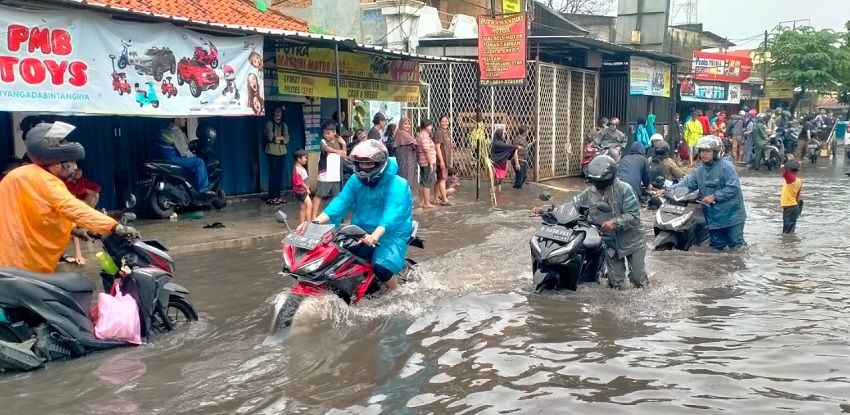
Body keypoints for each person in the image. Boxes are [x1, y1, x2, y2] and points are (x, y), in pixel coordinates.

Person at [0, 122, 137, 273]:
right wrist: (115, 227)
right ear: (57, 163)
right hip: (22, 263)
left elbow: (42, 211)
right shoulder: (47, 182)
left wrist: (74, 229)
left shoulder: (25, 174)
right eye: (72, 163)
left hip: (11, 259)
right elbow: (72, 208)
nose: (75, 168)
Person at [308, 140, 413, 293]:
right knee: (337, 256)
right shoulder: (355, 180)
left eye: (368, 164)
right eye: (360, 164)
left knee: (381, 266)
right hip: (360, 229)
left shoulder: (398, 184)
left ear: (380, 163)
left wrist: (376, 234)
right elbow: (341, 202)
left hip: (390, 233)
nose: (363, 168)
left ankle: (395, 291)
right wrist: (315, 222)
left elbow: (393, 213)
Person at [536, 155, 646, 289]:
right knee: (616, 283)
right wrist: (548, 211)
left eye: (601, 181)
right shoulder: (589, 193)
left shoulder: (624, 189)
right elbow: (571, 205)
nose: (598, 185)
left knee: (638, 279)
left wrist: (614, 222)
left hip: (632, 241)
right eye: (595, 181)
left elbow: (634, 216)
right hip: (610, 242)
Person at [674, 136, 746, 250]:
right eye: (702, 151)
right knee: (717, 249)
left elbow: (733, 188)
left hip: (732, 217)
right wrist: (667, 190)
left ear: (716, 152)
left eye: (707, 151)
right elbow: (687, 184)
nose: (703, 154)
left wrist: (714, 196)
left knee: (736, 248)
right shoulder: (700, 171)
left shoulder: (727, 167)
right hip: (713, 219)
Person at [153, 118, 213, 195]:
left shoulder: (165, 126)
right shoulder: (175, 130)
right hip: (171, 158)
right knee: (199, 162)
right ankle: (203, 191)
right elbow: (184, 152)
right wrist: (194, 156)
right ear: (176, 119)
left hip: (162, 157)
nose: (185, 120)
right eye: (183, 118)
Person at [64, 167, 102, 265]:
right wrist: (84, 191)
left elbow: (97, 188)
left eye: (81, 172)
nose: (79, 174)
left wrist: (78, 254)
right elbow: (72, 194)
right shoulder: (64, 182)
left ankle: (86, 220)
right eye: (77, 172)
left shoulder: (82, 181)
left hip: (79, 208)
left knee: (95, 195)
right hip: (73, 205)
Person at [312, 120, 347, 219]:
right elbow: (326, 148)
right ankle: (313, 217)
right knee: (319, 195)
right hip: (325, 174)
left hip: (336, 174)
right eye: (324, 133)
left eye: (328, 133)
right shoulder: (323, 141)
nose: (326, 135)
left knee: (336, 197)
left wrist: (344, 144)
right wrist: (338, 151)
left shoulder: (339, 142)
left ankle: (334, 216)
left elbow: (344, 155)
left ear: (334, 132)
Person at [264, 106, 289, 205]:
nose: (279, 113)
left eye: (280, 112)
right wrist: (280, 139)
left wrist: (278, 138)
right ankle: (271, 197)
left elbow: (287, 139)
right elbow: (270, 137)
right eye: (277, 111)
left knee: (279, 175)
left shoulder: (284, 125)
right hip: (272, 151)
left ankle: (278, 196)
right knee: (273, 174)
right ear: (273, 113)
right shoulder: (269, 123)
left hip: (282, 151)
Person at [416, 119, 438, 208]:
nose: (431, 128)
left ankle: (422, 202)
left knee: (423, 182)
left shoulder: (419, 135)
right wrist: (430, 163)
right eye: (430, 126)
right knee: (427, 182)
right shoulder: (424, 136)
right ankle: (427, 203)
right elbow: (426, 150)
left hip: (422, 162)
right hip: (427, 162)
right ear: (426, 126)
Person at [394, 117, 418, 196]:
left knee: (406, 180)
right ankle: (406, 201)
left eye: (409, 124)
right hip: (406, 162)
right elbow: (414, 144)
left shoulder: (404, 134)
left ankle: (406, 200)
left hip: (407, 162)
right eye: (405, 124)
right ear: (401, 125)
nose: (407, 126)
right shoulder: (402, 134)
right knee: (407, 180)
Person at [432, 115, 451, 204]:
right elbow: (437, 147)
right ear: (439, 122)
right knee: (442, 179)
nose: (445, 123)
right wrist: (441, 160)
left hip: (445, 160)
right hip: (440, 161)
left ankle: (435, 198)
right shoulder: (438, 133)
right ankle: (444, 199)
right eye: (443, 121)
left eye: (446, 121)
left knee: (439, 179)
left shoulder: (447, 132)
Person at [780, 159, 803, 234]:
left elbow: (782, 168)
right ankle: (790, 244)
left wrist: (785, 165)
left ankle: (787, 244)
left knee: (787, 232)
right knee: (789, 230)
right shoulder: (798, 181)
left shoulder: (791, 179)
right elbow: (798, 197)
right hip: (793, 207)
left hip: (790, 208)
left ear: (789, 170)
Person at [291, 149, 312, 224]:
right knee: (309, 205)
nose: (306, 159)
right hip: (302, 191)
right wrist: (307, 188)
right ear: (298, 159)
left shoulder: (297, 167)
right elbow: (300, 182)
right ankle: (308, 223)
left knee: (303, 208)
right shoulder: (298, 169)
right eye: (304, 158)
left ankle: (302, 224)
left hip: (298, 192)